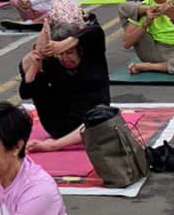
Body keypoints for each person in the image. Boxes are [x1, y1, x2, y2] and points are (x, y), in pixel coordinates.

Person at [19, 19, 110, 152]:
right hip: (59, 125)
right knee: (35, 74)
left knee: (104, 115)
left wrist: (64, 45)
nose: (65, 58)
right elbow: (25, 93)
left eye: (69, 52)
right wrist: (35, 65)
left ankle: (54, 145)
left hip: (92, 122)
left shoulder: (93, 59)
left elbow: (96, 31)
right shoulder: (54, 63)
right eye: (60, 54)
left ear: (80, 49)